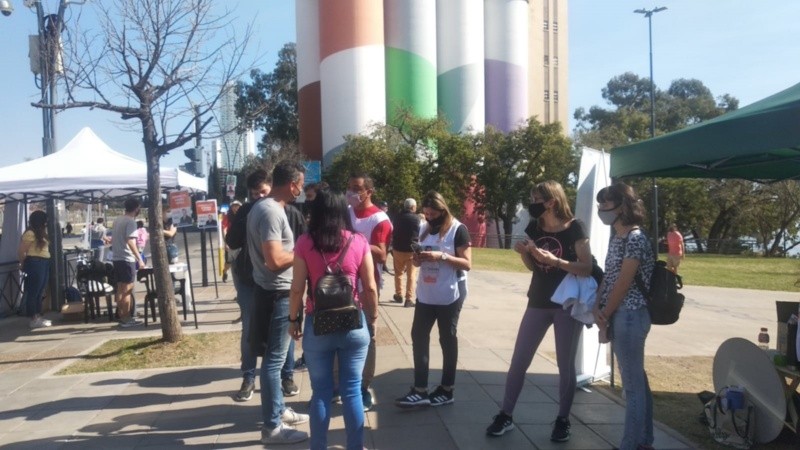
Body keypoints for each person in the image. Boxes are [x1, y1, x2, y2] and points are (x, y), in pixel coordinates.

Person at [486, 181, 594, 442]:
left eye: (536, 198)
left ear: (551, 202)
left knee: (565, 366)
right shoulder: (535, 226)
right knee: (519, 361)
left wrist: (555, 260)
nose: (532, 203)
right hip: (537, 300)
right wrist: (525, 254)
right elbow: (534, 267)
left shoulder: (575, 227)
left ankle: (562, 420)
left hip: (566, 304)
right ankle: (505, 414)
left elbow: (587, 267)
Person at [288, 188, 377, 450]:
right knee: (352, 391)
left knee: (322, 393)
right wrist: (372, 317)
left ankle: (318, 446)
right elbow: (370, 286)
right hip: (353, 322)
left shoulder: (305, 242)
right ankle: (355, 446)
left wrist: (293, 320)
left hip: (319, 324)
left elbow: (296, 288)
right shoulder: (359, 241)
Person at [246, 161, 309, 445]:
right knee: (273, 363)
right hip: (277, 294)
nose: (302, 190)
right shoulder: (271, 211)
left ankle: (279, 409)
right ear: (293, 183)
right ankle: (272, 427)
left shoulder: (265, 207)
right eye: (301, 184)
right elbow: (273, 261)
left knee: (277, 358)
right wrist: (302, 253)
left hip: (272, 292)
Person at [395, 191, 471, 408]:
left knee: (447, 338)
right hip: (427, 291)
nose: (428, 217)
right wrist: (418, 258)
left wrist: (443, 256)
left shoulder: (458, 229)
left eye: (432, 213)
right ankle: (420, 389)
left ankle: (447, 389)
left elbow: (467, 264)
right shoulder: (424, 227)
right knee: (418, 335)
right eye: (426, 213)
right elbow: (418, 263)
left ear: (442, 210)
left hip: (450, 291)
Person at [593, 182, 655, 450]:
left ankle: (632, 443)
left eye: (605, 204)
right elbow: (609, 276)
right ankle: (643, 441)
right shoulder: (618, 237)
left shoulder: (636, 238)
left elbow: (624, 282)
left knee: (632, 387)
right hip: (619, 315)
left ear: (622, 206)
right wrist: (598, 306)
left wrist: (605, 313)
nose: (601, 210)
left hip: (630, 315)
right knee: (637, 382)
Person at [345, 172, 392, 411]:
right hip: (342, 282)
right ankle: (339, 385)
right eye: (350, 187)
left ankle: (363, 387)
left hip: (366, 283)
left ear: (368, 191)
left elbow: (382, 254)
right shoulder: (346, 211)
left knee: (366, 336)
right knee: (340, 332)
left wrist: (353, 239)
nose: (352, 192)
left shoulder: (379, 219)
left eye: (356, 188)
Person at [225, 170, 271, 403]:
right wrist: (247, 216)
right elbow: (231, 241)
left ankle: (286, 375)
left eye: (264, 192)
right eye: (255, 194)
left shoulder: (282, 208)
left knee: (281, 328)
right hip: (249, 279)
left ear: (271, 188)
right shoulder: (245, 210)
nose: (260, 197)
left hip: (275, 279)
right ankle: (249, 376)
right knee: (249, 329)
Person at [112, 198, 146, 328]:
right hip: (127, 258)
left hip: (117, 258)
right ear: (137, 208)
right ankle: (126, 318)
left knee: (120, 288)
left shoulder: (117, 220)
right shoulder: (131, 222)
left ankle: (122, 315)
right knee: (127, 289)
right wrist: (140, 259)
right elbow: (131, 241)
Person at [17, 210, 52, 329]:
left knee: (40, 291)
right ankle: (33, 317)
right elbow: (22, 250)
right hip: (35, 262)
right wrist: (22, 263)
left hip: (44, 262)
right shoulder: (30, 233)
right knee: (34, 291)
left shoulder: (40, 232)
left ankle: (38, 316)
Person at [391, 198, 421, 308]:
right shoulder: (417, 219)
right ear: (413, 207)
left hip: (397, 249)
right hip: (411, 250)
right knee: (411, 275)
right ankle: (408, 299)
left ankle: (398, 294)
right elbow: (420, 232)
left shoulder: (397, 217)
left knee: (398, 273)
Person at [222, 200, 242, 283]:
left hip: (240, 241)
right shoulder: (228, 216)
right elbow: (224, 229)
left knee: (240, 260)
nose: (235, 207)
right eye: (234, 206)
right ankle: (225, 271)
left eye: (237, 206)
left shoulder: (242, 215)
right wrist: (226, 242)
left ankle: (239, 277)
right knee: (228, 262)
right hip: (230, 241)